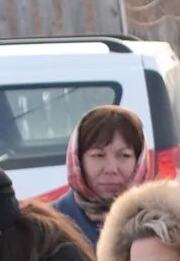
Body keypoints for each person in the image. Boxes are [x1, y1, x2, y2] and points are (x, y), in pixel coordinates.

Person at [51, 103, 149, 244]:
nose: (111, 169)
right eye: (98, 155)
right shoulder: (52, 225)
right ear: (78, 160)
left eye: (124, 155)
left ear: (139, 161)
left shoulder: (160, 223)